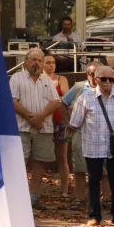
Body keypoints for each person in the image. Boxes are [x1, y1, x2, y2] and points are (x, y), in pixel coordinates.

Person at [68, 65, 114, 226]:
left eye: (111, 79)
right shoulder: (85, 98)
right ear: (96, 79)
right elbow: (75, 123)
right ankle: (94, 216)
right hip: (92, 145)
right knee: (94, 181)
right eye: (104, 79)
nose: (108, 82)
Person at [10, 47, 64, 210]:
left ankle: (33, 196)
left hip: (43, 128)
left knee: (40, 162)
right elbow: (12, 101)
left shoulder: (47, 79)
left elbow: (56, 102)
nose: (37, 63)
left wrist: (40, 117)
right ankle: (19, 197)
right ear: (26, 62)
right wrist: (31, 117)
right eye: (33, 59)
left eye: (40, 60)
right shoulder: (16, 78)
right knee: (20, 161)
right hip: (22, 127)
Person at [63, 61, 102, 208]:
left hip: (101, 134)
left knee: (103, 169)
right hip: (80, 132)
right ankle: (80, 198)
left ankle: (106, 199)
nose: (95, 77)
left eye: (98, 74)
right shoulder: (79, 87)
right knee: (79, 167)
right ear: (88, 75)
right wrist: (68, 122)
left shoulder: (111, 87)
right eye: (92, 74)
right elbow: (62, 103)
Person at [43, 54, 71, 198]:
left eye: (53, 62)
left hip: (60, 121)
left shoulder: (61, 79)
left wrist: (54, 100)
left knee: (62, 157)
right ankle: (38, 191)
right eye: (48, 62)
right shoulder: (38, 80)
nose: (51, 65)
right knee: (40, 157)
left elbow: (66, 98)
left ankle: (65, 190)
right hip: (43, 122)